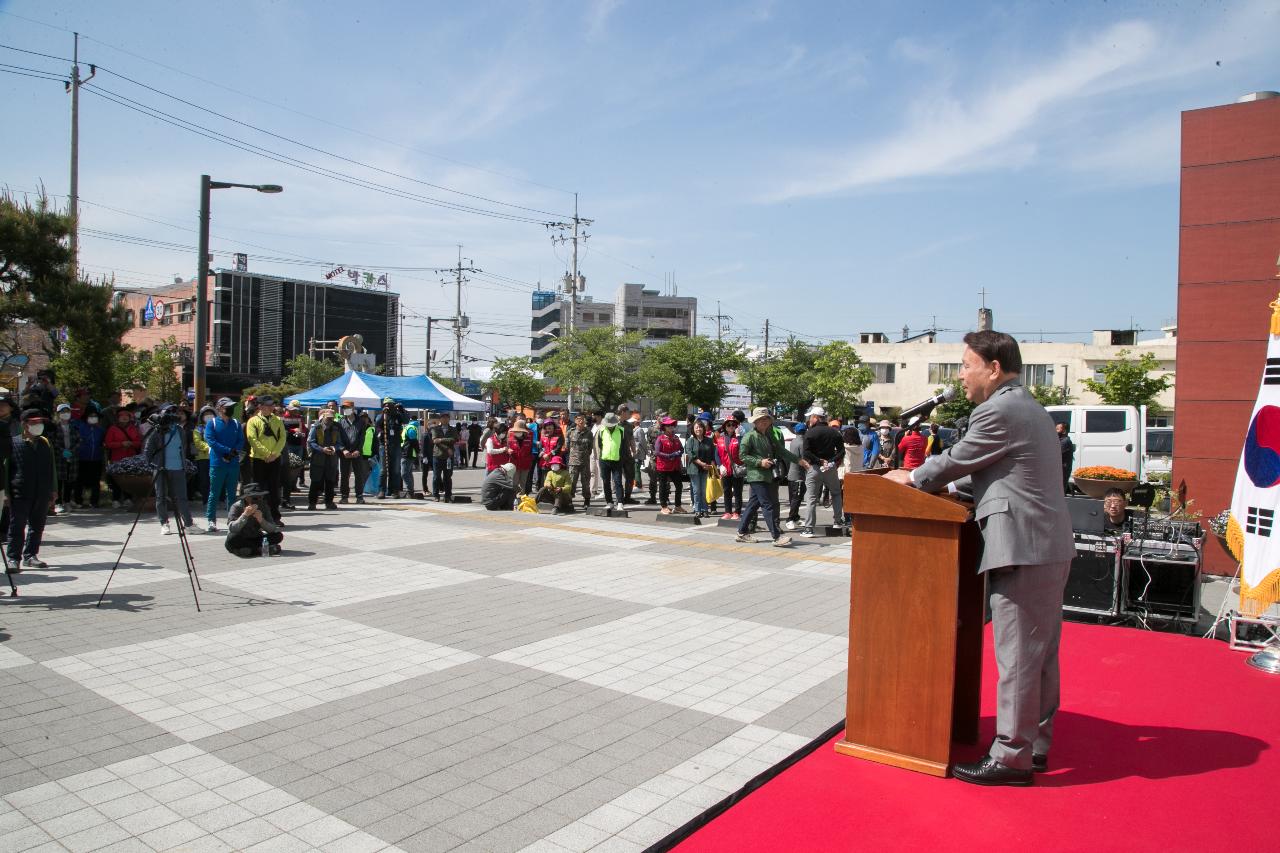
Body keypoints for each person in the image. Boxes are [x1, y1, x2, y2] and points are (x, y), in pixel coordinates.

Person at [886, 330, 1074, 787]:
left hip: (1024, 548)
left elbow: (958, 459)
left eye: (966, 366)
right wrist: (948, 487)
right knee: (1039, 655)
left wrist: (911, 479)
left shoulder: (999, 409)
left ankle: (1011, 758)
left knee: (1018, 657)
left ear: (993, 368)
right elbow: (998, 474)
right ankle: (1035, 745)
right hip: (1043, 546)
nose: (962, 376)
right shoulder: (1027, 408)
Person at [735, 408, 807, 547]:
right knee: (767, 505)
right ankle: (776, 536)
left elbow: (781, 450)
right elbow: (742, 456)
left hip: (766, 475)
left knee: (752, 505)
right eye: (761, 419)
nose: (764, 421)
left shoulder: (769, 435)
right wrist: (759, 462)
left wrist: (798, 460)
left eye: (766, 419)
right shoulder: (749, 436)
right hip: (756, 475)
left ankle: (742, 533)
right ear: (755, 422)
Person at [7, 409, 56, 569]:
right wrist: (6, 493)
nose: (38, 426)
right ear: (24, 424)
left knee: (38, 525)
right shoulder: (13, 443)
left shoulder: (45, 443)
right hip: (20, 491)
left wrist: (53, 490)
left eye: (40, 423)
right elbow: (6, 469)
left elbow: (51, 468)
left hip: (41, 491)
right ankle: (14, 558)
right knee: (17, 526)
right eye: (33, 423)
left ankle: (31, 555)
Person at [143, 404, 195, 535]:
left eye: (175, 413)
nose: (173, 416)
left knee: (182, 497)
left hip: (178, 468)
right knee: (161, 497)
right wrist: (152, 465)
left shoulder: (180, 430)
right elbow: (148, 450)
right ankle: (164, 523)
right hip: (161, 468)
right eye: (169, 413)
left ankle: (188, 524)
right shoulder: (157, 430)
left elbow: (183, 447)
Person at [800, 406, 845, 538]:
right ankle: (837, 521)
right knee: (836, 493)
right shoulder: (834, 432)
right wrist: (831, 461)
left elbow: (806, 452)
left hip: (815, 468)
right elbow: (841, 451)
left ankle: (809, 529)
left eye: (811, 417)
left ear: (815, 417)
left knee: (812, 498)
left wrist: (819, 461)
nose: (809, 420)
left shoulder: (810, 433)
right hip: (830, 468)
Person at [204, 397, 245, 534]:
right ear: (220, 408)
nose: (230, 409)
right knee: (214, 493)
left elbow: (240, 440)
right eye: (228, 406)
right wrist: (227, 451)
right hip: (217, 463)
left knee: (232, 494)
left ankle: (231, 519)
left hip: (233, 463)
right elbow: (211, 441)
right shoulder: (212, 423)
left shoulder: (236, 423)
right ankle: (211, 520)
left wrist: (233, 453)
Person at [245, 396, 286, 524]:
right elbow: (252, 439)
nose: (270, 407)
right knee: (258, 489)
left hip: (275, 458)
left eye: (272, 405)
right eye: (267, 405)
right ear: (260, 406)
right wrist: (266, 454)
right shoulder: (253, 421)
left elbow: (282, 438)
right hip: (258, 459)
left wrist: (274, 454)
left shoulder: (278, 420)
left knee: (274, 488)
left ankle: (275, 516)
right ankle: (257, 517)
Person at [225, 483, 283, 557]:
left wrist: (261, 520)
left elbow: (272, 529)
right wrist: (244, 515)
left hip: (256, 537)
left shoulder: (264, 506)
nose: (259, 500)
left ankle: (251, 550)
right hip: (241, 538)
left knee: (278, 535)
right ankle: (262, 550)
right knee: (232, 539)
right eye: (255, 498)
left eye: (261, 497)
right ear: (247, 498)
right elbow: (233, 529)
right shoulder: (236, 507)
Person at [104, 405, 143, 508]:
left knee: (129, 479)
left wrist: (131, 443)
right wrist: (121, 444)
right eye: (122, 416)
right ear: (118, 418)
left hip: (131, 457)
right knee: (117, 479)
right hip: (117, 457)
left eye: (127, 415)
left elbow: (139, 442)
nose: (124, 417)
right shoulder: (112, 429)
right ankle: (116, 499)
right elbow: (108, 443)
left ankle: (128, 498)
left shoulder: (134, 429)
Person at [307, 407, 344, 510]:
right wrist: (322, 449)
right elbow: (311, 442)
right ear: (323, 417)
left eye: (331, 418)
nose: (330, 420)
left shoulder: (336, 428)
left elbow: (339, 443)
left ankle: (329, 502)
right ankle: (312, 503)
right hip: (318, 458)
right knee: (315, 481)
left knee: (330, 482)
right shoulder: (316, 427)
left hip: (331, 459)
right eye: (328, 418)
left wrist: (334, 448)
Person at [336, 400, 370, 505]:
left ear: (353, 409)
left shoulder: (360, 421)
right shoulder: (341, 421)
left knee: (358, 475)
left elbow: (362, 438)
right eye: (344, 408)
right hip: (344, 453)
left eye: (347, 408)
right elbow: (338, 438)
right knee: (345, 475)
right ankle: (344, 496)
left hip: (356, 452)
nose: (345, 410)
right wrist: (343, 449)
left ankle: (359, 496)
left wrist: (358, 450)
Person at [74, 404, 106, 508]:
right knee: (80, 480)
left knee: (96, 481)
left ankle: (94, 501)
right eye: (91, 416)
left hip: (96, 458)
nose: (93, 418)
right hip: (82, 458)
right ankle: (78, 500)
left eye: (95, 416)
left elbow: (103, 443)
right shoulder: (80, 427)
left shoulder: (100, 430)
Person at [374, 397, 408, 498]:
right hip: (384, 445)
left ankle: (394, 490)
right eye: (386, 405)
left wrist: (401, 410)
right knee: (383, 470)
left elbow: (406, 420)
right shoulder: (382, 416)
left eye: (390, 404)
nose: (388, 407)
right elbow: (377, 423)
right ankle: (381, 490)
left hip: (396, 444)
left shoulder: (398, 416)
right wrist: (383, 412)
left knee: (396, 469)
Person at [684, 417, 717, 520]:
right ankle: (698, 510)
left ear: (704, 429)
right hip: (694, 469)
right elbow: (691, 455)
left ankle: (705, 510)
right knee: (697, 491)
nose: (698, 429)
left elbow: (712, 454)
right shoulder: (690, 441)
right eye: (696, 427)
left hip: (706, 469)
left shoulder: (709, 440)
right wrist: (702, 464)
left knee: (704, 490)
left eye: (700, 427)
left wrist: (711, 463)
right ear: (693, 429)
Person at [653, 417, 685, 514]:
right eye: (669, 425)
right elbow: (657, 452)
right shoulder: (660, 438)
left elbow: (682, 449)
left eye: (672, 425)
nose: (671, 427)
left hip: (675, 466)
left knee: (679, 485)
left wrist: (679, 453)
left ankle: (678, 506)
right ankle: (664, 506)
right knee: (663, 486)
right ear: (664, 427)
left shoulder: (676, 438)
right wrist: (669, 455)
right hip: (663, 466)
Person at [596, 412, 627, 511]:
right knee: (605, 482)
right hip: (604, 460)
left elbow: (624, 447)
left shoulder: (621, 430)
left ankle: (620, 502)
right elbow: (600, 445)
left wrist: (622, 458)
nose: (609, 427)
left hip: (617, 460)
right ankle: (609, 502)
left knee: (618, 481)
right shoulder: (601, 430)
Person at [52, 403, 79, 515]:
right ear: (58, 414)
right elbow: (53, 442)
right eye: (63, 412)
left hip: (72, 457)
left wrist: (71, 451)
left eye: (67, 411)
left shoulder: (74, 426)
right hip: (59, 458)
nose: (65, 414)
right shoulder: (55, 427)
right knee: (59, 481)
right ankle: (58, 503)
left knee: (70, 480)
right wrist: (62, 451)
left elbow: (79, 440)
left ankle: (67, 501)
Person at [715, 416, 744, 520]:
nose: (731, 427)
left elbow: (743, 452)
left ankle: (737, 512)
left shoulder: (739, 438)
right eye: (729, 425)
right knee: (727, 491)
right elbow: (716, 454)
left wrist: (739, 436)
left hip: (737, 469)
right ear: (725, 427)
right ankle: (728, 512)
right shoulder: (720, 439)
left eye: (733, 425)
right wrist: (720, 465)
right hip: (725, 469)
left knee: (737, 492)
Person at [566, 412, 594, 510]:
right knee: (571, 482)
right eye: (578, 419)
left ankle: (587, 500)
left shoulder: (589, 433)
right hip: (573, 462)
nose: (581, 421)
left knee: (585, 483)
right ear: (575, 420)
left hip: (585, 462)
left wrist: (585, 455)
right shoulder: (571, 432)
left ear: (585, 420)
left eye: (582, 419)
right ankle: (569, 501)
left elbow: (591, 447)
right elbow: (567, 446)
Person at [429, 413, 458, 502]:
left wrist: (441, 439)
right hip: (437, 455)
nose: (445, 419)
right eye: (443, 418)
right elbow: (434, 440)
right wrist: (447, 447)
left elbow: (454, 439)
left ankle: (448, 495)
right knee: (436, 477)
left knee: (447, 477)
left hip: (449, 457)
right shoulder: (435, 428)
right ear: (440, 419)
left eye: (447, 418)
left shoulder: (453, 429)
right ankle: (436, 495)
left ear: (449, 419)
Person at [192, 405, 214, 506]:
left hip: (216, 458)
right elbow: (198, 442)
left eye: (210, 414)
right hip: (203, 458)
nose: (208, 416)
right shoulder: (198, 429)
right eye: (206, 414)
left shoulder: (218, 427)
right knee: (204, 480)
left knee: (215, 479)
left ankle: (217, 499)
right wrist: (210, 448)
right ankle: (206, 499)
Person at [507, 419, 535, 494]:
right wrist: (508, 450)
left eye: (519, 431)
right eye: (515, 431)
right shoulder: (510, 436)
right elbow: (506, 446)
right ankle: (513, 498)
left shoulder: (529, 437)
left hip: (525, 463)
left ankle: (522, 498)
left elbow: (530, 449)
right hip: (514, 463)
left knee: (523, 482)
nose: (517, 432)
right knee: (514, 483)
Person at [400, 417, 421, 497]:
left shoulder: (410, 428)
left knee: (404, 473)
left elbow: (413, 441)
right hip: (409, 453)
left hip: (407, 453)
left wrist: (418, 451)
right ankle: (410, 490)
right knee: (408, 473)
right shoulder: (412, 427)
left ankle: (410, 491)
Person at [1056, 423, 1075, 493]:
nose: (1055, 431)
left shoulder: (1065, 441)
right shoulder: (1061, 440)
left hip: (1063, 469)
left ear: (1064, 431)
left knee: (1060, 490)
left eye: (1058, 429)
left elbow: (1057, 454)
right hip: (1061, 469)